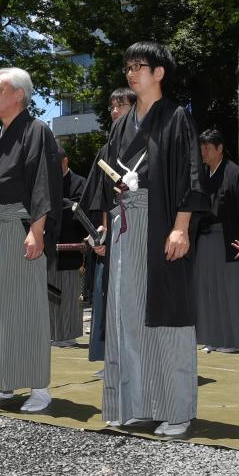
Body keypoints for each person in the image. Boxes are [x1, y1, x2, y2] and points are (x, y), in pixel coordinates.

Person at [94, 41, 208, 437]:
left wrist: (181, 226)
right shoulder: (122, 123)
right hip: (125, 224)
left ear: (159, 73)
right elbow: (108, 176)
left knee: (164, 317)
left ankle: (175, 409)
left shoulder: (177, 118)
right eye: (128, 66)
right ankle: (136, 403)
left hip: (160, 222)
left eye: (140, 65)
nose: (131, 72)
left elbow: (191, 175)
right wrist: (105, 227)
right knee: (126, 315)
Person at [0, 68, 60, 413]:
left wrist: (37, 229)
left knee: (25, 308)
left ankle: (39, 387)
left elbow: (43, 183)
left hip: (19, 228)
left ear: (19, 94)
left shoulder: (37, 131)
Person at [84, 88, 136, 368]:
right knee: (108, 295)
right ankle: (112, 358)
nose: (115, 111)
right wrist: (98, 233)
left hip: (140, 229)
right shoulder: (106, 151)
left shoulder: (147, 142)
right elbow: (98, 198)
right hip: (113, 230)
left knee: (134, 297)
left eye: (121, 105)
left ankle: (135, 358)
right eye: (112, 107)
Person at [193, 128, 239, 354]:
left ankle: (231, 340)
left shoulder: (234, 173)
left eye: (208, 148)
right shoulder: (201, 174)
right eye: (201, 148)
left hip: (227, 237)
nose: (204, 152)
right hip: (203, 237)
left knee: (228, 288)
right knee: (205, 288)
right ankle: (211, 337)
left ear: (220, 149)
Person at [50, 144, 87, 347]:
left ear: (65, 162)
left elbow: (78, 208)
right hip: (50, 245)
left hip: (72, 244)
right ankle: (53, 331)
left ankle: (69, 334)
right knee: (51, 290)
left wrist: (59, 203)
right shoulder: (47, 184)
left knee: (71, 292)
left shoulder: (80, 182)